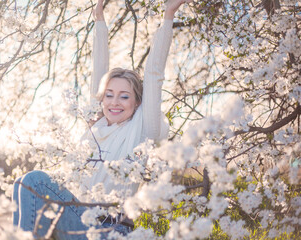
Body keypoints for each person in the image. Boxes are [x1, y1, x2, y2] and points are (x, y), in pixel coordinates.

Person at [12, 0, 191, 239]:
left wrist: (168, 15)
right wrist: (99, 22)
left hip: (109, 230)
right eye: (109, 95)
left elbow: (154, 75)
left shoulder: (143, 129)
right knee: (21, 183)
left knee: (35, 180)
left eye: (124, 96)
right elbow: (99, 72)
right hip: (80, 219)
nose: (114, 102)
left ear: (137, 102)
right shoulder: (96, 125)